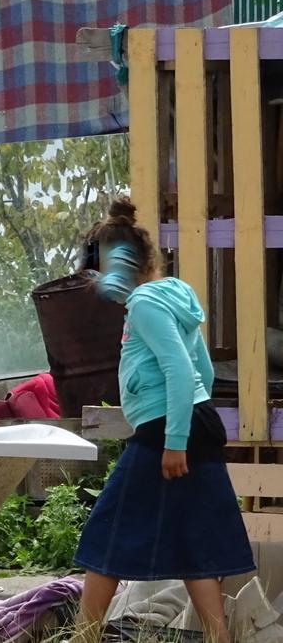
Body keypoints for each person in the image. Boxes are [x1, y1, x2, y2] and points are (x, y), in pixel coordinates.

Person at [72, 198, 253, 643]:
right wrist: (190, 421)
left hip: (166, 433)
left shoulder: (146, 304)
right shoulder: (173, 296)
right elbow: (202, 370)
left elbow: (176, 367)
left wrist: (175, 440)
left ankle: (83, 635)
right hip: (196, 422)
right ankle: (219, 637)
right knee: (195, 538)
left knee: (107, 529)